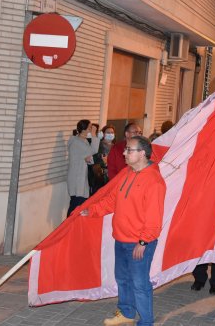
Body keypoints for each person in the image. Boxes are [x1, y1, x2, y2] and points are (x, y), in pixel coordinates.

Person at [81, 136, 166, 326]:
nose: (124, 153)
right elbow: (112, 201)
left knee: (140, 284)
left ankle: (146, 322)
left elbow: (154, 218)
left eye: (129, 150)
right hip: (121, 239)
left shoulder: (154, 181)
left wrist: (143, 241)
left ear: (142, 153)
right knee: (123, 279)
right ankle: (127, 312)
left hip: (139, 243)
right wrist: (92, 211)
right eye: (126, 149)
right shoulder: (127, 173)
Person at [67, 120, 99, 216]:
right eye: (90, 127)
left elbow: (87, 157)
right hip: (76, 178)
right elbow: (93, 150)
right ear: (84, 129)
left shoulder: (83, 140)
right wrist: (94, 134)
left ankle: (71, 226)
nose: (91, 129)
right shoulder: (76, 142)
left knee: (80, 203)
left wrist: (90, 159)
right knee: (76, 204)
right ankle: (68, 226)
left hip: (81, 177)